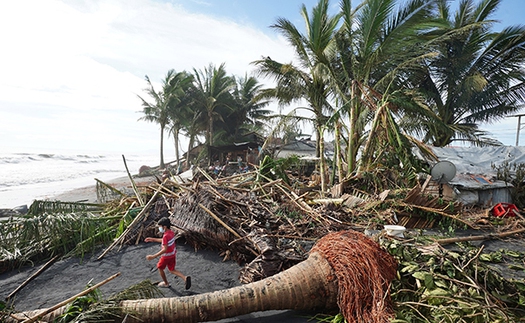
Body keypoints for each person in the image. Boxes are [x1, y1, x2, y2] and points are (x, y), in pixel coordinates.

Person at [145, 217, 191, 289]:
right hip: (172, 254)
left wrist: (153, 256)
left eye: (160, 227)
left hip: (166, 256)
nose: (159, 228)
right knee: (172, 269)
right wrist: (153, 239)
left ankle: (166, 283)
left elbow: (165, 249)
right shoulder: (171, 233)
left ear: (164, 227)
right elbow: (164, 241)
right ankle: (184, 278)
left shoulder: (165, 236)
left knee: (160, 268)